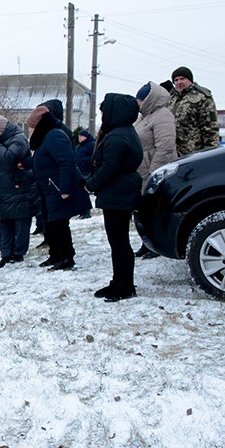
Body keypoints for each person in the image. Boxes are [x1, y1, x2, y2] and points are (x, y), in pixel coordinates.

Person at [86, 93, 143, 302]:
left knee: (120, 242)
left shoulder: (118, 136)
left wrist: (90, 184)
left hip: (119, 192)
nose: (101, 115)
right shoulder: (122, 132)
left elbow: (110, 167)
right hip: (118, 191)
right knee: (117, 242)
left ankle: (125, 285)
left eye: (103, 111)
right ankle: (118, 281)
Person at [28, 106, 91, 271]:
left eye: (31, 125)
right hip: (50, 188)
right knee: (52, 224)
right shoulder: (46, 137)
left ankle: (67, 258)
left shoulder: (54, 135)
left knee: (60, 225)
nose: (30, 129)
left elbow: (66, 162)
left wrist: (64, 188)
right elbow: (44, 159)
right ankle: (55, 255)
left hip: (57, 188)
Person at [0, 115, 37, 269]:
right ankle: (6, 252)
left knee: (21, 221)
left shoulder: (18, 139)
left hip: (18, 187)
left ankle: (18, 252)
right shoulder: (0, 141)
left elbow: (9, 158)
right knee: (4, 223)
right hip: (2, 189)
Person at [168, 66, 218, 157]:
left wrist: (210, 153)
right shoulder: (171, 98)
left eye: (182, 79)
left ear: (190, 80)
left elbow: (211, 128)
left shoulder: (202, 97)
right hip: (173, 152)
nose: (179, 82)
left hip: (194, 152)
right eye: (176, 80)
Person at [135, 82, 178, 187]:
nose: (137, 103)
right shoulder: (143, 116)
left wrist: (154, 173)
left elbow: (165, 147)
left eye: (140, 100)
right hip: (143, 171)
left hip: (152, 173)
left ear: (149, 100)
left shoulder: (163, 115)